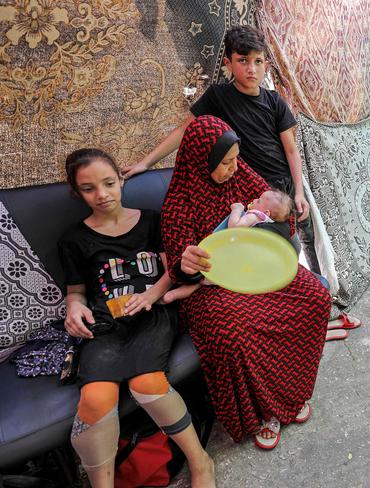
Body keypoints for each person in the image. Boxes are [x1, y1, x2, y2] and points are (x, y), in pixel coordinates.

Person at [160, 115, 332, 450]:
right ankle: (263, 412)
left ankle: (291, 391)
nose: (235, 168)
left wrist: (277, 234)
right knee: (231, 333)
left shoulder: (242, 176)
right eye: (225, 163)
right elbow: (181, 269)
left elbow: (282, 217)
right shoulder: (178, 205)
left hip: (259, 269)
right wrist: (188, 263)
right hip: (213, 286)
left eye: (236, 159)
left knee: (315, 298)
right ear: (200, 161)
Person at [58, 148, 214, 487]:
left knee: (147, 384)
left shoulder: (151, 221)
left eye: (109, 183)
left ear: (121, 180)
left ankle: (200, 461)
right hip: (106, 323)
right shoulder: (73, 240)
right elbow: (76, 292)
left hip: (153, 312)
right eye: (88, 189)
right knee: (96, 398)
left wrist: (150, 295)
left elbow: (172, 270)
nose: (101, 194)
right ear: (76, 192)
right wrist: (74, 308)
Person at [122, 25, 320, 274]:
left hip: (283, 189)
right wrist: (145, 163)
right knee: (257, 251)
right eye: (243, 60)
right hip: (251, 190)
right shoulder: (218, 96)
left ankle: (316, 282)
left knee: (295, 243)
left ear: (266, 64)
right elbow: (184, 130)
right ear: (228, 63)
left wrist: (299, 193)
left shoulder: (274, 101)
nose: (251, 69)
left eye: (258, 61)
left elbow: (291, 150)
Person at [161, 188, 294, 304]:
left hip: (231, 256)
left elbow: (234, 227)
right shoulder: (271, 224)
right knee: (205, 280)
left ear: (267, 212)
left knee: (205, 272)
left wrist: (237, 209)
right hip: (243, 265)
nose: (254, 200)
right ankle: (175, 294)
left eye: (259, 201)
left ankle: (175, 294)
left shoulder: (256, 216)